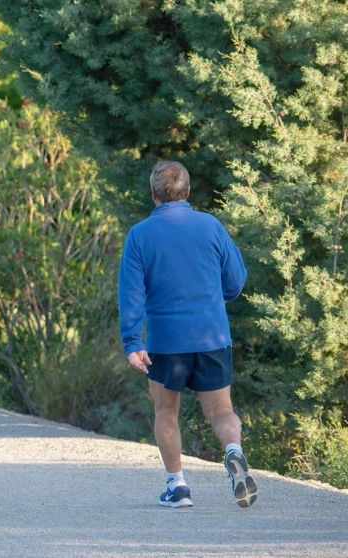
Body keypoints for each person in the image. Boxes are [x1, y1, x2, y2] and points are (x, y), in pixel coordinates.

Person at [119, 160, 258, 509]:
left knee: (166, 411)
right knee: (222, 410)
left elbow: (132, 293)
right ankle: (233, 451)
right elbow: (236, 280)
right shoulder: (211, 226)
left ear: (154, 195)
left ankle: (178, 487)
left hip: (166, 342)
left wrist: (132, 342)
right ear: (188, 191)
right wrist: (214, 299)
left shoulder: (140, 235)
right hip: (212, 335)